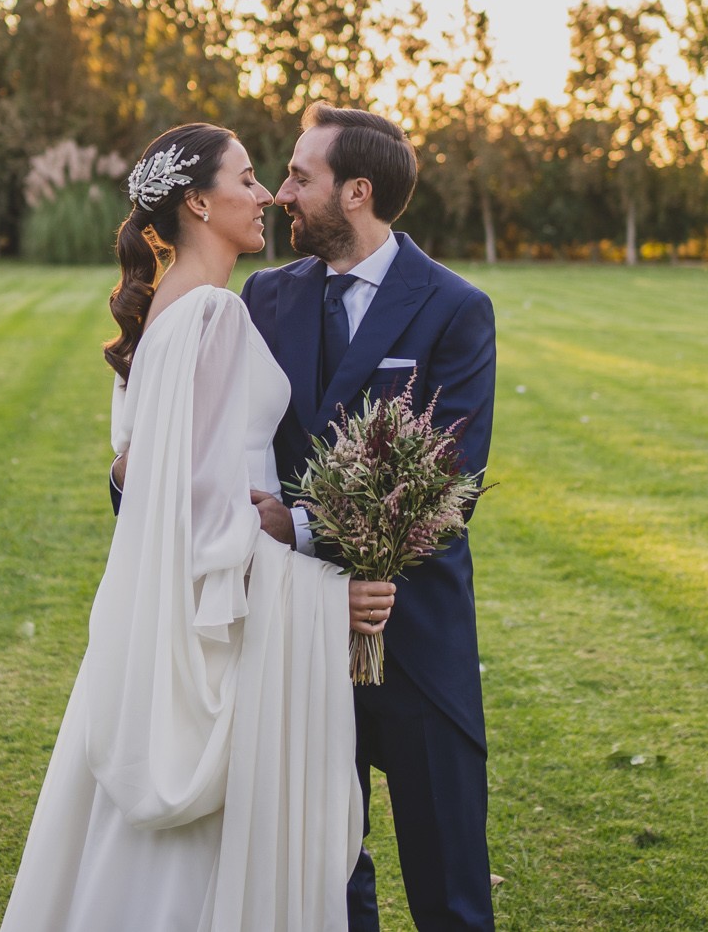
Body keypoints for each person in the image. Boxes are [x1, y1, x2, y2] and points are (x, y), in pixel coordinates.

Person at [2, 122, 395, 932]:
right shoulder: (211, 317)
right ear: (198, 202)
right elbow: (211, 530)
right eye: (249, 179)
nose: (266, 197)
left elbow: (159, 491)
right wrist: (330, 598)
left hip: (171, 619)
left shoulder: (164, 319)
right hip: (224, 629)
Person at [114, 105, 497, 932]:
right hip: (288, 642)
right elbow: (207, 439)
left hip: (413, 629)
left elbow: (453, 479)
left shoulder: (454, 308)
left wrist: (302, 524)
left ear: (356, 192)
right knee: (320, 862)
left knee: (450, 877)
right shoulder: (263, 295)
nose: (282, 192)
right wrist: (138, 480)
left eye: (299, 176)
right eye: (274, 175)